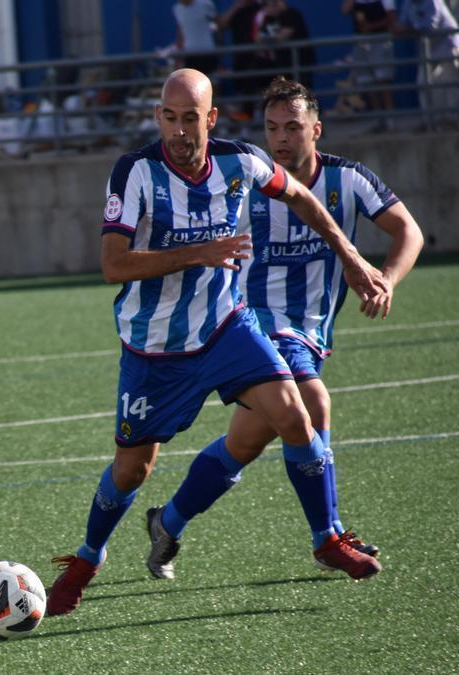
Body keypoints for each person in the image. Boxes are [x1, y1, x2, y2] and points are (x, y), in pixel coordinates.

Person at [45, 68, 390, 617]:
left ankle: (327, 538)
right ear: (159, 117)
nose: (179, 132)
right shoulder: (134, 172)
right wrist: (198, 253)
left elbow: (301, 196)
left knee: (296, 413)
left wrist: (351, 256)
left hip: (227, 327)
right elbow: (113, 265)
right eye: (170, 118)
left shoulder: (242, 161)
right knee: (132, 469)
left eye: (191, 120)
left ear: (210, 119)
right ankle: (89, 558)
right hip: (153, 348)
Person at [144, 77, 424, 581]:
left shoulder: (348, 180)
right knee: (314, 404)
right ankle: (329, 536)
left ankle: (167, 521)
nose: (280, 139)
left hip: (311, 331)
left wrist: (387, 279)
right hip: (252, 324)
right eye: (272, 128)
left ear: (316, 129)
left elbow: (409, 229)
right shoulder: (246, 177)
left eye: (292, 127)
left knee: (245, 443)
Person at [397, 0, 459, 128]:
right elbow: (400, 25)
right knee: (423, 82)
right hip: (429, 51)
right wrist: (403, 29)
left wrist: (406, 29)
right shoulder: (408, 3)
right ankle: (430, 121)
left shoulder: (433, 1)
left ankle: (453, 121)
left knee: (447, 83)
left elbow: (429, 26)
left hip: (448, 46)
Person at [344, 0, 399, 118]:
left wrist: (371, 27)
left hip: (380, 41)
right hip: (361, 42)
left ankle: (390, 119)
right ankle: (379, 118)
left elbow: (392, 17)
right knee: (367, 82)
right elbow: (345, 10)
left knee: (383, 79)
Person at [255, 0, 317, 89]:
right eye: (265, 6)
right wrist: (266, 40)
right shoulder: (270, 19)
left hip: (300, 63)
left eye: (269, 5)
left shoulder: (291, 14)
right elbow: (258, 38)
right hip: (282, 65)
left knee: (302, 93)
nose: (267, 9)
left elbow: (282, 37)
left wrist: (267, 40)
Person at [173, 0, 220, 75]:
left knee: (211, 83)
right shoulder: (177, 9)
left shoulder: (205, 4)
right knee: (192, 83)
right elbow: (181, 31)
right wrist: (179, 56)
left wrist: (220, 45)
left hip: (208, 52)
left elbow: (218, 24)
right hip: (190, 55)